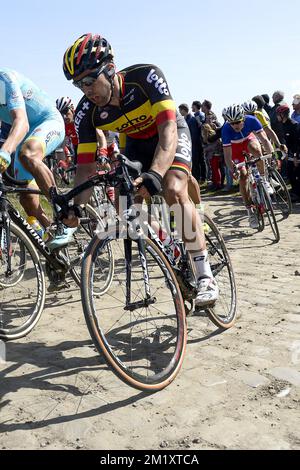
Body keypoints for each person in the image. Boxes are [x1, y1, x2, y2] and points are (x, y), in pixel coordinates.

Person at [62, 33, 219, 306]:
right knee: (128, 207)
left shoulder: (145, 77)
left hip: (168, 133)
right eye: (78, 84)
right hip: (134, 144)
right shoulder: (86, 110)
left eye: (89, 80)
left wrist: (156, 173)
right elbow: (85, 165)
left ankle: (205, 274)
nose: (85, 89)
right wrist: (76, 207)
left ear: (110, 69)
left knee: (172, 188)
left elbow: (168, 128)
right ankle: (170, 247)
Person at [0, 68, 75, 249]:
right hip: (23, 135)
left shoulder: (4, 79)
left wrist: (4, 154)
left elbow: (21, 122)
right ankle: (52, 239)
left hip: (46, 121)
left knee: (28, 154)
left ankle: (63, 214)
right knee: (26, 197)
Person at [222, 104, 274, 229]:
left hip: (248, 141)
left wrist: (272, 155)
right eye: (232, 123)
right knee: (243, 176)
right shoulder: (225, 130)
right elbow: (228, 157)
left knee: (257, 150)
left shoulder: (252, 120)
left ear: (243, 118)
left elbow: (265, 140)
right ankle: (250, 210)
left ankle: (263, 179)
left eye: (238, 122)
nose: (235, 126)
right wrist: (233, 169)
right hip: (235, 149)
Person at [276, 104, 300, 201]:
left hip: (296, 153)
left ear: (282, 114)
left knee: (296, 174)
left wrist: (295, 156)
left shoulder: (294, 125)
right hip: (289, 153)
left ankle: (297, 194)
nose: (276, 116)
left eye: (278, 114)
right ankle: (294, 192)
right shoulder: (282, 125)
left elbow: (297, 142)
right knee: (290, 174)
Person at [178, 103, 204, 182]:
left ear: (183, 110)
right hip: (191, 144)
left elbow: (194, 134)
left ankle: (198, 178)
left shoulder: (191, 119)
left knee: (196, 161)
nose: (179, 112)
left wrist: (190, 143)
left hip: (194, 144)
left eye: (180, 110)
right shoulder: (187, 119)